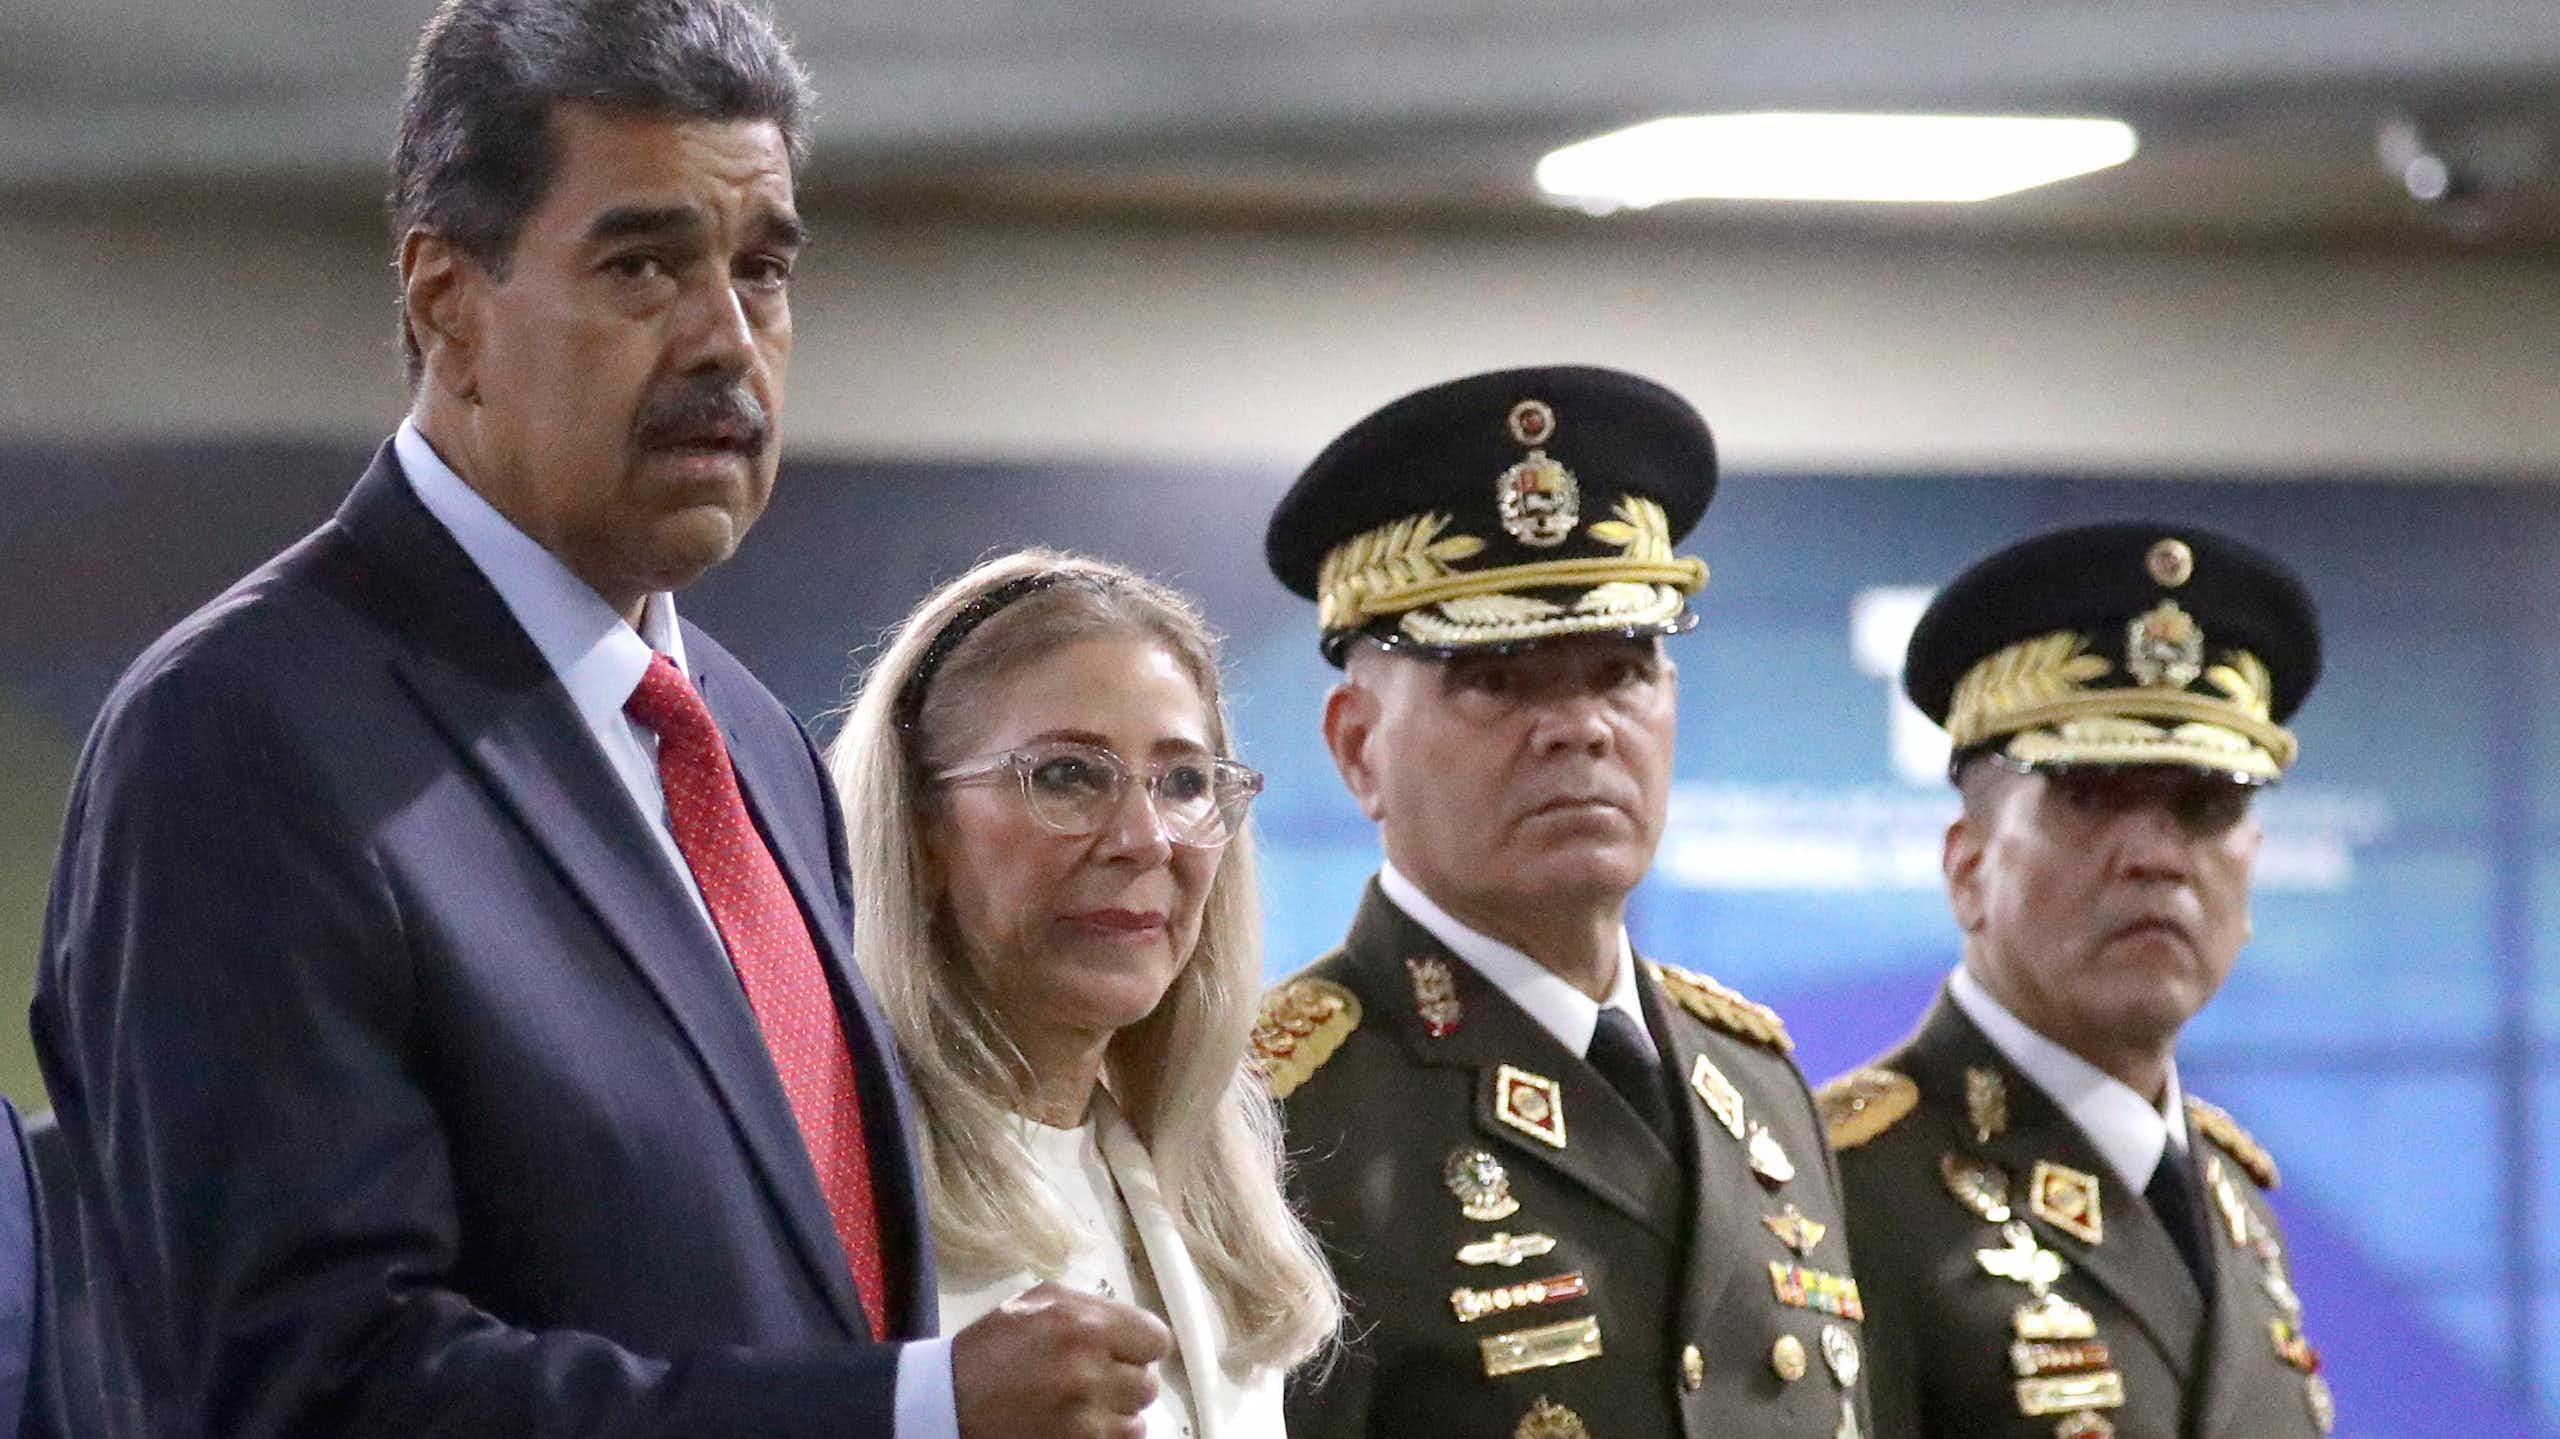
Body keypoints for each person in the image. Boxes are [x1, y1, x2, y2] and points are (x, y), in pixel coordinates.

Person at [33, 3, 1155, 1434]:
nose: (726, 342)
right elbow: (300, 1387)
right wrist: (903, 1413)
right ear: (449, 302)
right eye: (644, 265)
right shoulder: (238, 739)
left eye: (763, 271)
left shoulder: (744, 739)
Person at [1258, 366, 1873, 1439]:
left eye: (1621, 667)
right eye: (1496, 678)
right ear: (1359, 746)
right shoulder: (1274, 1120)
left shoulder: (1760, 1082)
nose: (1581, 726)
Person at [1817, 522, 2337, 1439]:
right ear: (1967, 866)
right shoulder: (1845, 1193)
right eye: (2091, 795)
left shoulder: (2236, 1207)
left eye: (2206, 805)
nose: (2155, 856)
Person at [828, 550, 1341, 1438]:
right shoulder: (835, 1179)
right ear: (918, 827)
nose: (1145, 839)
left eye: (1184, 781)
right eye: (1067, 775)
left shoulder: (1202, 1197)